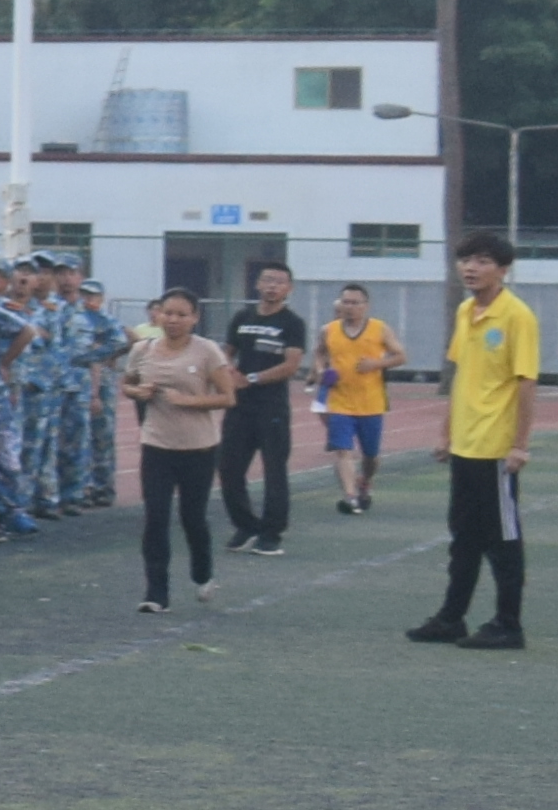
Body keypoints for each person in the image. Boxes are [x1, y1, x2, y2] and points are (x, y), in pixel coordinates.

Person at [409, 235, 543, 651]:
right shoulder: (467, 310)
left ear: (503, 269)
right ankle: (452, 618)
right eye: (465, 259)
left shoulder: (517, 316)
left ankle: (508, 624)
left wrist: (520, 445)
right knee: (463, 537)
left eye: (482, 260)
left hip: (496, 449)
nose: (470, 267)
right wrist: (447, 433)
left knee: (503, 539)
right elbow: (461, 376)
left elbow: (526, 383)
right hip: (466, 445)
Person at [118, 288, 237, 610]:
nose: (173, 320)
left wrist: (190, 401)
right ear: (157, 315)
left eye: (181, 314)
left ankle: (203, 573)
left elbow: (228, 397)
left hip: (198, 448)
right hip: (157, 445)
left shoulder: (207, 352)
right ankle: (156, 593)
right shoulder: (143, 350)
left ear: (194, 318)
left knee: (192, 518)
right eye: (167, 313)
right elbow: (127, 384)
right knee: (155, 518)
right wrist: (137, 392)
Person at [218, 261, 307, 556]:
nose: (272, 286)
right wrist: (227, 372)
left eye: (279, 282)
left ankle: (272, 533)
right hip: (240, 407)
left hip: (272, 407)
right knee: (229, 468)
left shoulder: (292, 323)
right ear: (257, 284)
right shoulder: (242, 317)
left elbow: (291, 365)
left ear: (288, 289)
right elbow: (226, 353)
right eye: (267, 280)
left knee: (274, 472)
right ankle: (246, 525)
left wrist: (252, 378)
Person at [315, 281, 396, 517]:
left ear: (365, 305)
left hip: (371, 402)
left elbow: (401, 355)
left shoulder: (380, 329)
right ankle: (349, 497)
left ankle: (365, 481)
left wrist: (376, 363)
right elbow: (319, 351)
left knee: (370, 455)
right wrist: (321, 371)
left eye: (355, 303)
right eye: (345, 302)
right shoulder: (328, 330)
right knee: (342, 449)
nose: (349, 307)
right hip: (339, 401)